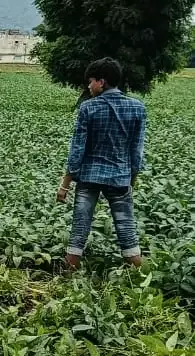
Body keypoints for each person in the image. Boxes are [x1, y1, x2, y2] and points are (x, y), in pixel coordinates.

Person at [57, 57, 146, 269]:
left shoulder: (88, 108)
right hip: (120, 178)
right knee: (126, 228)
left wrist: (65, 185)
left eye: (91, 81)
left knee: (80, 226)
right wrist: (131, 179)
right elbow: (136, 150)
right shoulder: (137, 108)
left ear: (102, 82)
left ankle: (68, 274)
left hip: (89, 177)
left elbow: (77, 149)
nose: (89, 86)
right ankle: (140, 275)